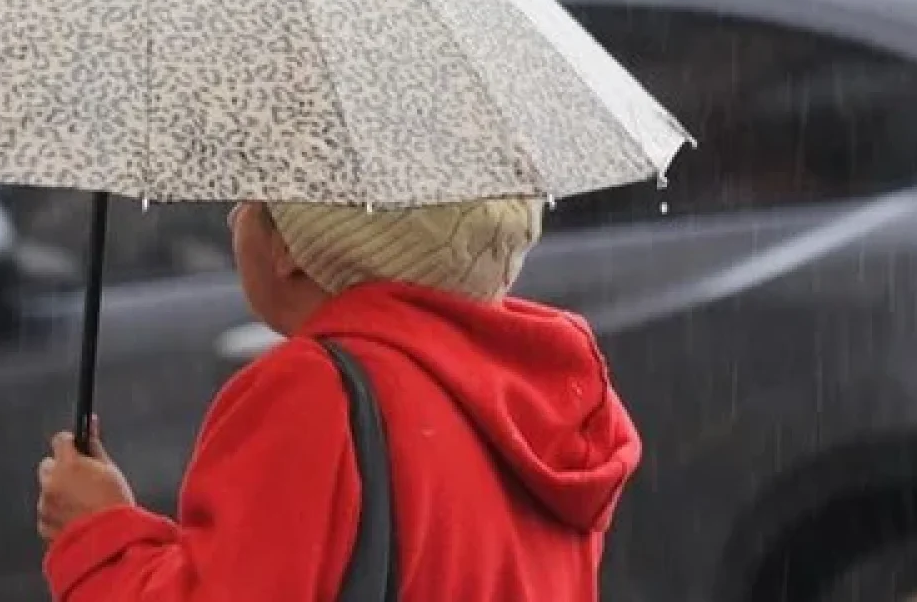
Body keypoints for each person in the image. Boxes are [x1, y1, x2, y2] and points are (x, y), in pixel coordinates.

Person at [34, 197, 642, 601]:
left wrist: (100, 537)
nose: (232, 218)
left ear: (293, 248)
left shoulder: (318, 392)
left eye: (251, 197)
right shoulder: (543, 397)